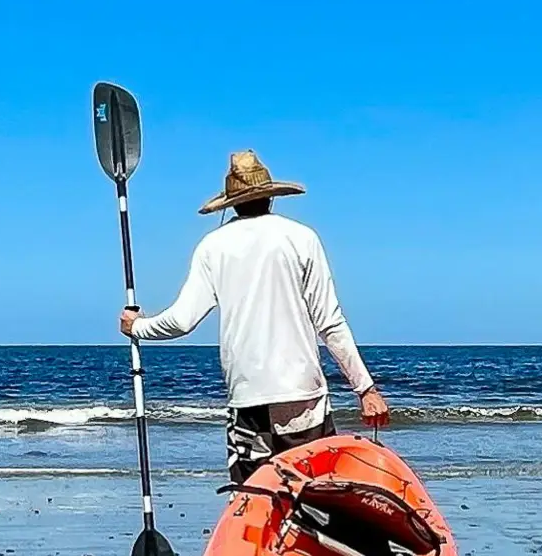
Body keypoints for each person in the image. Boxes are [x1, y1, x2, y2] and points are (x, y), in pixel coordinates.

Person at [120, 150, 391, 483]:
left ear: (231, 203)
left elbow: (182, 321)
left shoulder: (212, 246)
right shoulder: (302, 238)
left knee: (253, 500)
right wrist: (366, 390)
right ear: (270, 197)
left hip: (248, 400)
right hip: (303, 396)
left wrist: (139, 327)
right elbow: (330, 322)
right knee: (313, 498)